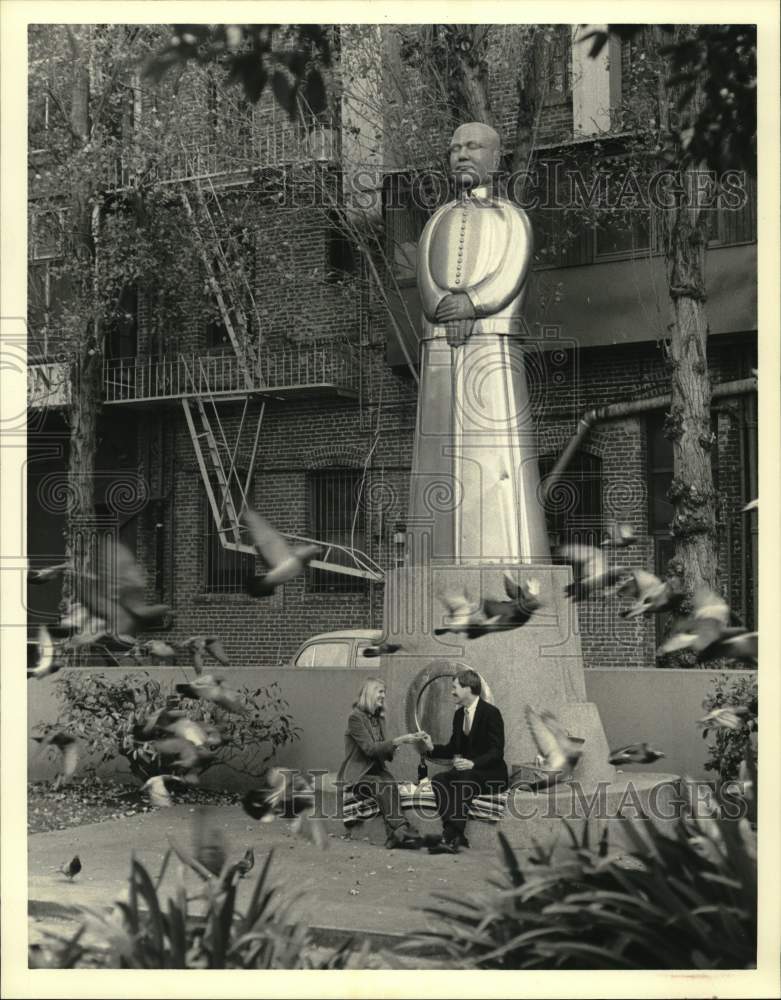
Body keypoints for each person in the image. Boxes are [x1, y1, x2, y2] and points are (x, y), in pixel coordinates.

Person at [408, 120, 550, 564]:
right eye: (454, 149)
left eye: (473, 147)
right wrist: (441, 307)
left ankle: (506, 556)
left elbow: (511, 271)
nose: (462, 155)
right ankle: (431, 555)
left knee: (497, 452)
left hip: (492, 343)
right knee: (436, 450)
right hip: (440, 349)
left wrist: (471, 302)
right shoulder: (436, 221)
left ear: (496, 157)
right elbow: (425, 281)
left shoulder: (513, 217)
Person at [420, 668, 508, 853]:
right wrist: (431, 748)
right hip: (468, 774)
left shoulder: (491, 713)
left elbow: (497, 751)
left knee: (466, 778)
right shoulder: (459, 715)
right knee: (439, 780)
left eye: (455, 687)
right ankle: (457, 836)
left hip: (490, 774)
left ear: (468, 688)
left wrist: (473, 763)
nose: (452, 691)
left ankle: (449, 835)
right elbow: (453, 748)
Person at [338, 677, 425, 850]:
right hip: (358, 775)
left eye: (384, 692)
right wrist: (398, 741)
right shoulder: (355, 718)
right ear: (370, 693)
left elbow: (384, 753)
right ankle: (401, 829)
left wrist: (393, 748)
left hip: (377, 770)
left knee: (391, 783)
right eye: (380, 692)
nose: (383, 696)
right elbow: (370, 749)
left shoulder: (378, 719)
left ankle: (393, 836)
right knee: (380, 784)